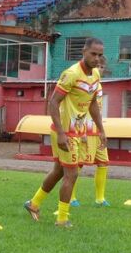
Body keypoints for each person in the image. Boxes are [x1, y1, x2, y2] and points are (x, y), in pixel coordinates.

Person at [24, 37, 106, 227]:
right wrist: (61, 133)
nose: (96, 58)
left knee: (60, 171)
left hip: (78, 131)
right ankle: (62, 219)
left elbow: (93, 104)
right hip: (65, 132)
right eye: (93, 54)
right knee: (72, 173)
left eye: (100, 55)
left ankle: (33, 204)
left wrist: (101, 129)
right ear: (84, 51)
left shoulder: (96, 75)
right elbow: (53, 103)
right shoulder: (71, 74)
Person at [69, 56, 110, 208]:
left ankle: (100, 199)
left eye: (102, 67)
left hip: (97, 132)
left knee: (104, 163)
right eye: (98, 66)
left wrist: (102, 130)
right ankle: (71, 198)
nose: (100, 69)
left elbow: (96, 110)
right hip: (84, 131)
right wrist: (83, 132)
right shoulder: (82, 83)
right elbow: (80, 108)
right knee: (78, 165)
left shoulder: (98, 86)